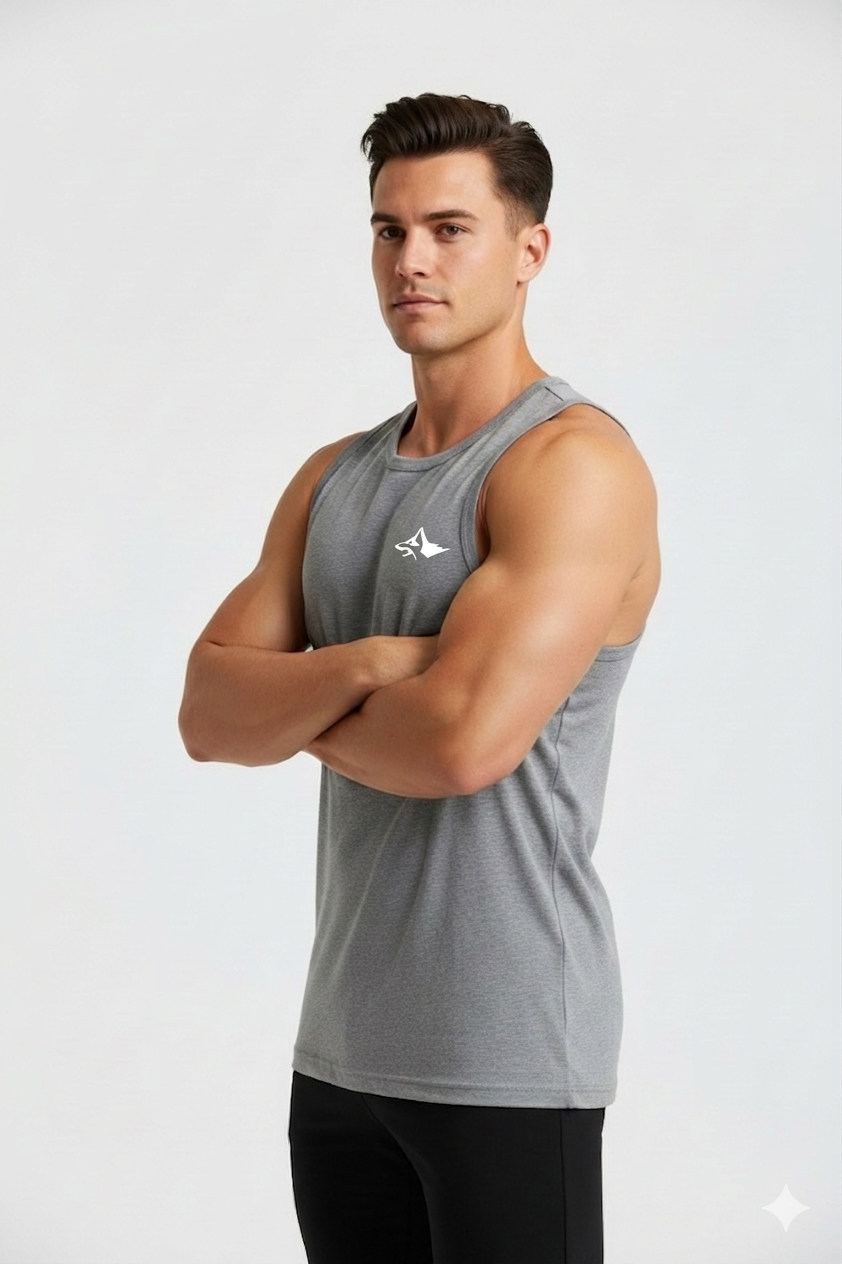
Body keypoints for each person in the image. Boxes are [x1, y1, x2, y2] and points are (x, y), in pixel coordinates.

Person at [178, 92, 660, 1264]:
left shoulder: (569, 465)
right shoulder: (331, 479)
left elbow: (458, 746)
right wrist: (366, 664)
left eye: (449, 229)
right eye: (389, 230)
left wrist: (290, 700)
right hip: (341, 1051)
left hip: (504, 1054)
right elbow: (205, 713)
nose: (411, 260)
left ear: (528, 250)